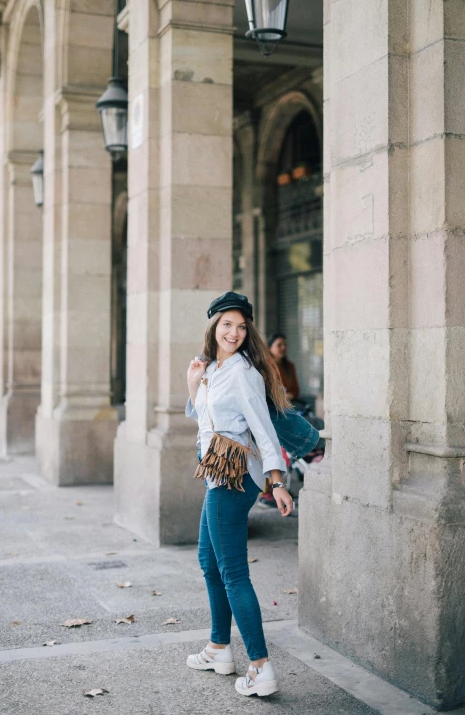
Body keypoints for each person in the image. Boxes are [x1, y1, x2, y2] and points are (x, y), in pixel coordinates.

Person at [185, 291, 293, 697]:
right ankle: (219, 648)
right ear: (213, 325)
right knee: (208, 561)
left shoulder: (245, 373)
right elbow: (206, 420)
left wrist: (277, 481)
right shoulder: (213, 367)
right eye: (227, 324)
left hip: (235, 478)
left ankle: (261, 667)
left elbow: (263, 430)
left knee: (231, 572)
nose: (234, 332)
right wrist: (193, 383)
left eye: (241, 326)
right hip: (217, 474)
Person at [258, 332, 300, 508]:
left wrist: (287, 395)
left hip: (289, 408)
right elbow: (270, 390)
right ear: (270, 348)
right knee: (272, 448)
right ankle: (267, 491)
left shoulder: (289, 366)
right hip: (273, 411)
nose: (283, 348)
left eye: (284, 344)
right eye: (279, 345)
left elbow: (295, 389)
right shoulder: (266, 365)